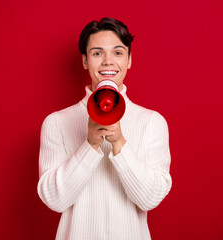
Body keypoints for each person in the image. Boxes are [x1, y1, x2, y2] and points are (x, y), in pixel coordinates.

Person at [37, 17, 172, 240]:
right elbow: (54, 200)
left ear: (129, 60)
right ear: (85, 61)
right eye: (97, 53)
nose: (108, 61)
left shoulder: (151, 122)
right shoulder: (56, 122)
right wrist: (90, 145)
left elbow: (150, 199)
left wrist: (119, 143)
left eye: (118, 53)